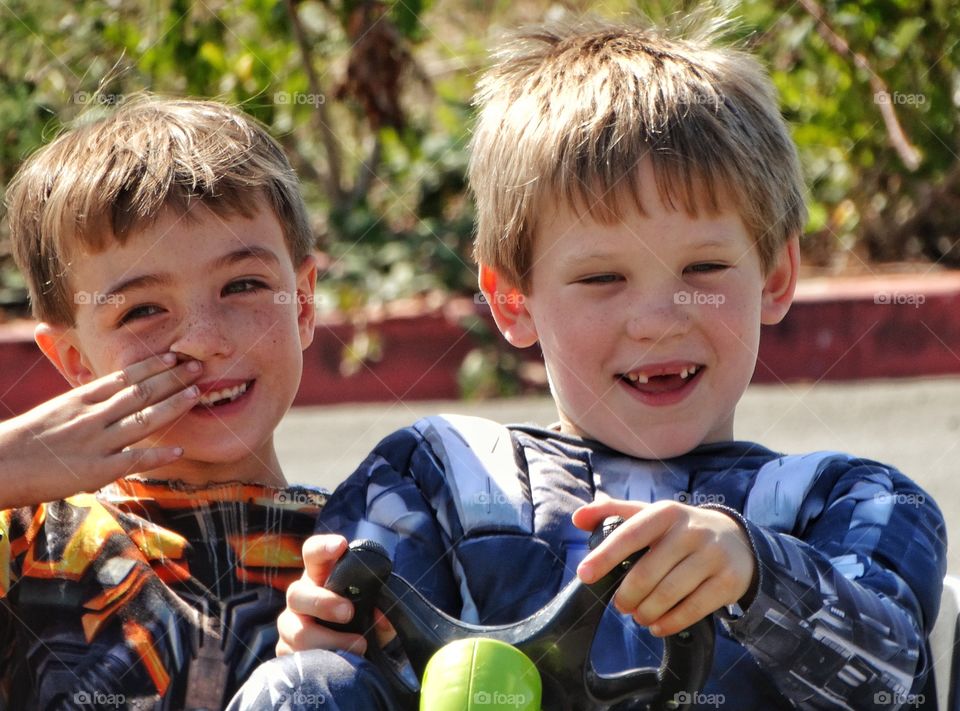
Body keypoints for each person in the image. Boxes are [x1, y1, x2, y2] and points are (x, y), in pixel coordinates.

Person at [230, 14, 947, 711]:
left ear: (777, 276)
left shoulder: (851, 502)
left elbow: (894, 673)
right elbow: (356, 666)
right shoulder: (434, 481)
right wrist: (324, 639)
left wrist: (759, 574)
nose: (657, 321)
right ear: (512, 299)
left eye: (702, 267)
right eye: (602, 278)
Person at [0, 97, 328, 709]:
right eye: (142, 310)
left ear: (302, 304)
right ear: (73, 360)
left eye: (243, 285)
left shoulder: (374, 547)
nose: (205, 339)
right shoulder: (29, 542)